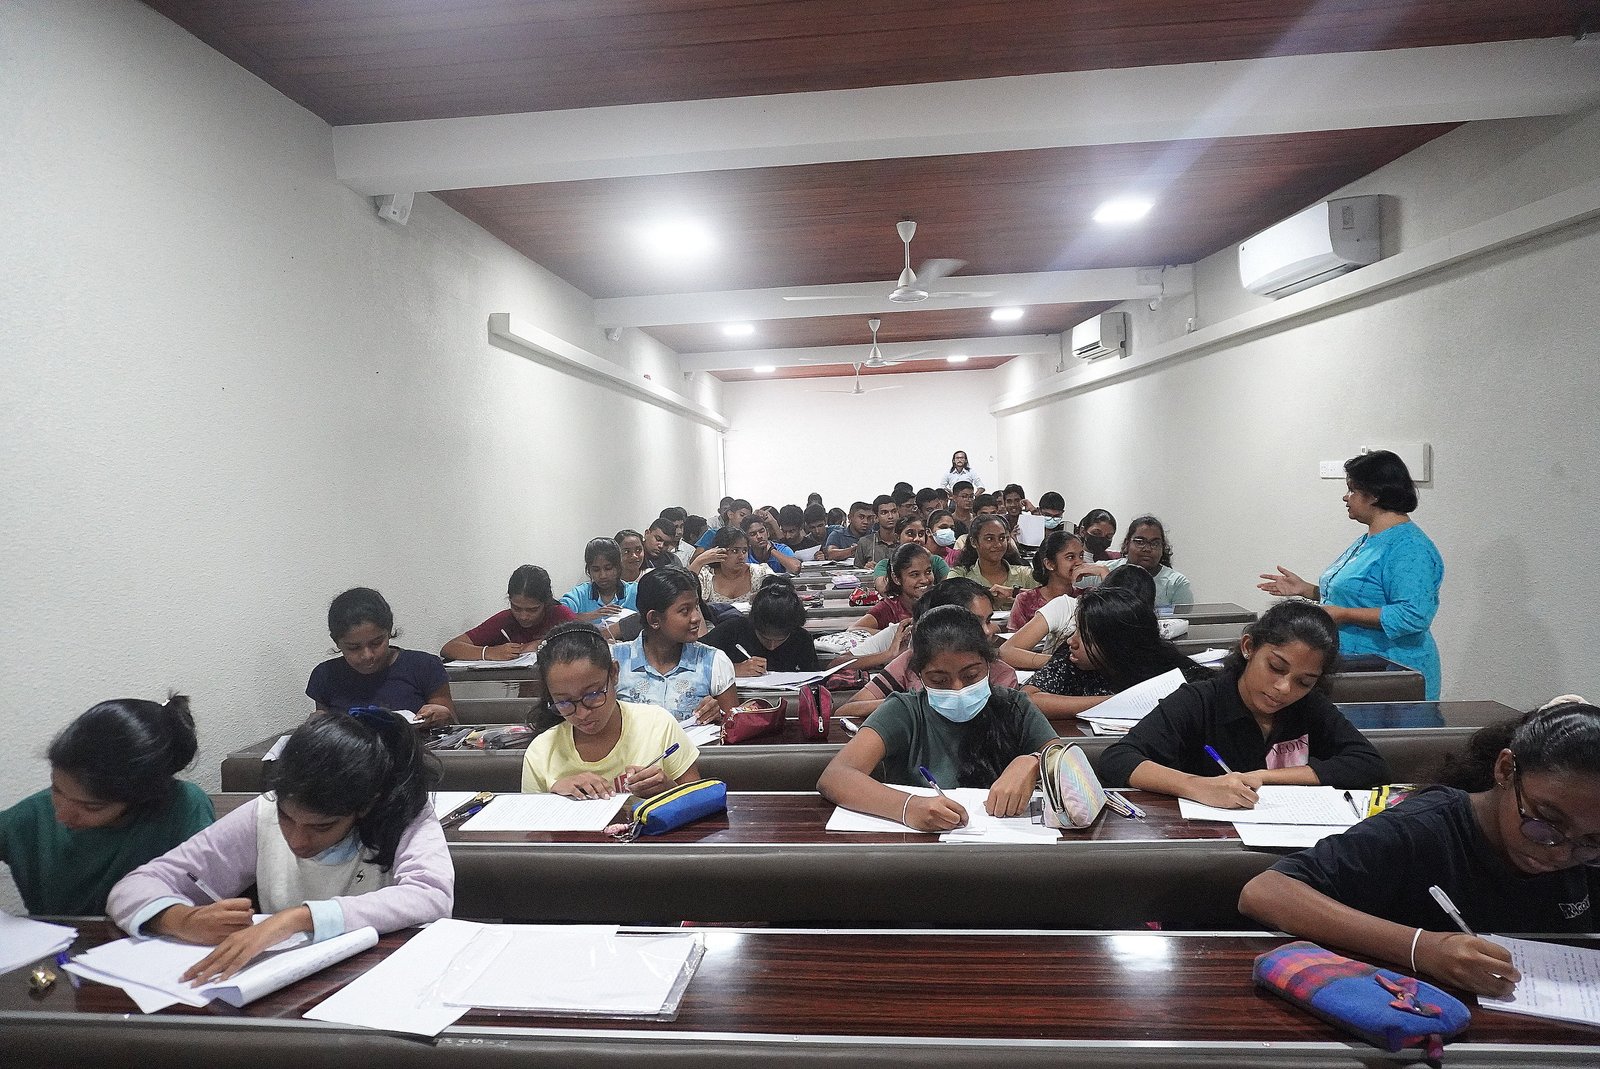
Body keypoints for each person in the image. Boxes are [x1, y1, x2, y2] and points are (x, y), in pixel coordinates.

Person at [1238, 699, 1600, 999]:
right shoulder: (1422, 829)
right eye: (1544, 823)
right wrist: (1421, 948)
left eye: (1591, 841)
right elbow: (1265, 892)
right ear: (1505, 770)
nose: (1560, 853)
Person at [107, 708, 453, 982]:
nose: (297, 840)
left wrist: (299, 918)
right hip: (283, 992)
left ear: (365, 805)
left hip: (380, 983)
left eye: (322, 826)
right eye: (287, 818)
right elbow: (136, 885)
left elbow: (431, 896)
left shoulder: (403, 813)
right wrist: (181, 919)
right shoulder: (263, 812)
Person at [1099, 601, 1390, 804]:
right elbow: (1117, 760)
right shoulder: (1199, 702)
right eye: (1276, 667)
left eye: (1304, 682)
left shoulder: (1309, 707)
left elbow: (1369, 765)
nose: (1284, 688)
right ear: (1249, 647)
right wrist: (1196, 786)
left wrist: (1266, 777)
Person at [818, 605, 1058, 831]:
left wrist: (1035, 762)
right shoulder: (905, 711)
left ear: (988, 665)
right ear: (919, 675)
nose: (957, 688)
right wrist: (907, 807)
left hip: (1005, 848)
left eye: (971, 675)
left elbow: (1067, 762)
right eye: (939, 680)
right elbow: (835, 776)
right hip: (922, 849)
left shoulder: (1015, 706)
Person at [0, 695, 213, 916]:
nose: (61, 814)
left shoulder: (182, 806)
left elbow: (204, 898)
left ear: (140, 797)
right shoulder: (32, 815)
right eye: (57, 790)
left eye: (92, 807)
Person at [1258, 449, 1444, 700]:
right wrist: (1307, 590)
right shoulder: (1371, 540)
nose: (1346, 497)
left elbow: (1413, 615)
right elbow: (1361, 595)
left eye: (1352, 490)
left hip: (1393, 674)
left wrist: (1343, 614)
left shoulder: (1410, 548)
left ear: (1374, 495)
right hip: (1359, 667)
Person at [521, 623, 701, 797]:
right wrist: (552, 797)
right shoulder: (541, 752)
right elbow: (530, 818)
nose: (582, 714)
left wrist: (669, 789)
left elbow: (698, 802)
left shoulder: (657, 725)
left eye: (592, 695)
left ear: (614, 673)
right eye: (564, 702)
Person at [838, 578, 1018, 721]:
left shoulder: (1001, 674)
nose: (987, 631)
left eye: (988, 620)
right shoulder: (912, 660)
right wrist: (911, 704)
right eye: (938, 680)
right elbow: (847, 709)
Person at [1023, 586, 1209, 722]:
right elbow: (1028, 700)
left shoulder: (1161, 664)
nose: (1072, 640)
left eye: (1086, 636)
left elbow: (1207, 694)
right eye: (1076, 629)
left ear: (1116, 644)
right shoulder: (1070, 659)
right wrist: (1115, 703)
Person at [307, 587, 454, 727]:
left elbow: (454, 727)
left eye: (376, 643)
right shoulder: (326, 675)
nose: (367, 655)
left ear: (389, 632)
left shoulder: (424, 666)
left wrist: (443, 717)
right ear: (336, 642)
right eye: (353, 647)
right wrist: (317, 726)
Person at [614, 567, 738, 726]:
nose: (696, 618)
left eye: (696, 607)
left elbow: (734, 728)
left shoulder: (713, 662)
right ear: (654, 619)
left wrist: (718, 715)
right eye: (685, 610)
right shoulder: (615, 661)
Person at [440, 564, 577, 662]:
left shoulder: (561, 616)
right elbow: (449, 648)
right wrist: (489, 652)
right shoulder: (506, 620)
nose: (523, 616)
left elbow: (585, 646)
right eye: (516, 608)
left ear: (546, 603)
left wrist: (542, 643)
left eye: (532, 610)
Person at [702, 575, 820, 677]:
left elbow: (813, 678)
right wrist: (733, 669)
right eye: (765, 638)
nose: (772, 646)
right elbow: (694, 659)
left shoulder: (801, 638)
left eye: (780, 640)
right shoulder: (733, 630)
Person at [1007, 528, 1087, 633]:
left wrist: (1103, 573)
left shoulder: (1087, 597)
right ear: (1049, 564)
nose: (1079, 562)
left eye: (1081, 556)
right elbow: (1013, 640)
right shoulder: (1026, 600)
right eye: (1070, 557)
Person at [1104, 515, 1193, 607]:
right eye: (1140, 542)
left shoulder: (1177, 584)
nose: (1147, 549)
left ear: (1163, 547)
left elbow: (1184, 616)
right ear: (1127, 543)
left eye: (1155, 543)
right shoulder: (1105, 570)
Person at [949, 513, 1036, 607]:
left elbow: (1044, 598)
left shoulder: (1025, 574)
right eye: (990, 539)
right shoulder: (960, 575)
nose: (998, 544)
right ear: (974, 542)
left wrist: (1015, 593)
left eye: (1002, 538)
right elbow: (949, 603)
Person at [558, 537, 640, 631]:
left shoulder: (636, 592)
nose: (602, 575)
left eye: (608, 568)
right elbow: (558, 617)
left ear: (618, 567)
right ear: (589, 570)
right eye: (596, 570)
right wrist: (591, 615)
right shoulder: (579, 594)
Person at [871, 515, 952, 592]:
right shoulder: (885, 565)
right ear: (897, 537)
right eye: (910, 534)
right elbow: (883, 589)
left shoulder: (936, 561)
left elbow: (950, 589)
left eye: (921, 534)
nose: (917, 539)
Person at [695, 524, 766, 606]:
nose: (741, 557)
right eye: (735, 551)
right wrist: (699, 561)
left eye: (744, 551)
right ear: (719, 551)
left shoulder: (759, 573)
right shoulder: (706, 576)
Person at [853, 495, 901, 567]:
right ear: (876, 518)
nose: (890, 516)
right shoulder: (865, 543)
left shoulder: (905, 540)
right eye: (884, 513)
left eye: (894, 511)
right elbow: (856, 571)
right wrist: (865, 569)